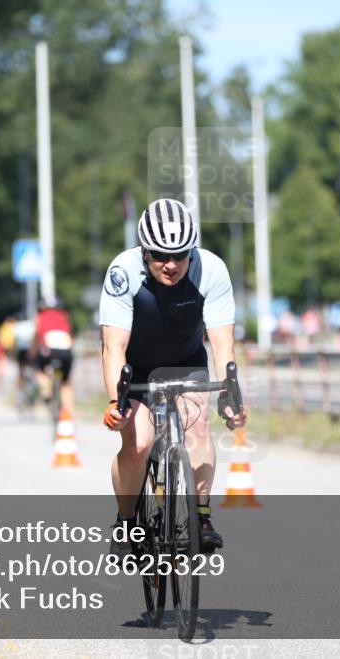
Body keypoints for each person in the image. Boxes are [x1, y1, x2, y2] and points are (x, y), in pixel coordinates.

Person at [99, 198, 248, 556]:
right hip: (136, 368)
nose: (171, 264)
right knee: (138, 444)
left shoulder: (211, 269)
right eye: (160, 255)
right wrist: (116, 402)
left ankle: (201, 517)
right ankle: (126, 523)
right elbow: (113, 346)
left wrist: (230, 395)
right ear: (144, 252)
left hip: (186, 362)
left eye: (180, 255)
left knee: (198, 431)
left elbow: (222, 344)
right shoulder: (123, 271)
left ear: (191, 251)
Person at [31, 298, 75, 417]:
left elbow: (36, 337)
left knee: (39, 370)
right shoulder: (64, 316)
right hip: (66, 351)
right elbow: (71, 335)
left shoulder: (40, 317)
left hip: (49, 351)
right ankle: (69, 415)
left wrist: (32, 353)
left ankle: (47, 392)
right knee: (66, 384)